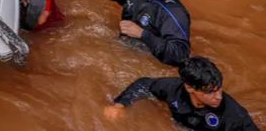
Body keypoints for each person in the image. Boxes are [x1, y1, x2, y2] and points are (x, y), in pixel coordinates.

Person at [104, 56, 258, 130]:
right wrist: (120, 105)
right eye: (210, 92)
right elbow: (144, 84)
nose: (218, 96)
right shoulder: (172, 89)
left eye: (219, 88)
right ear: (190, 88)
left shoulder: (235, 117)